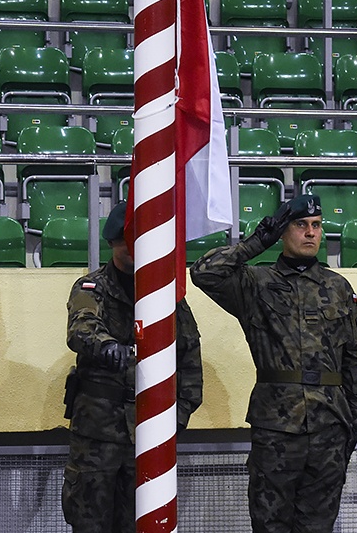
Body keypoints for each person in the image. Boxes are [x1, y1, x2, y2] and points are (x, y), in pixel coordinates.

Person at [190, 194, 357, 533]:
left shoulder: (338, 288)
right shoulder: (256, 283)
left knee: (318, 525)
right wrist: (258, 241)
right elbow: (204, 272)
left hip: (329, 427)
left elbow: (356, 365)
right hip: (276, 429)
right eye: (300, 225)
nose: (310, 233)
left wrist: (351, 426)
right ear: (283, 233)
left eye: (316, 226)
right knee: (269, 523)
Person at [61, 201, 203, 533]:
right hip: (97, 435)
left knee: (140, 522)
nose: (134, 250)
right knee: (89, 522)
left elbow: (189, 362)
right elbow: (81, 329)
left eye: (140, 240)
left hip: (148, 431)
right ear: (113, 244)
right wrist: (106, 346)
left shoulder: (167, 295)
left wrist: (176, 417)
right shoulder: (92, 287)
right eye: (126, 243)